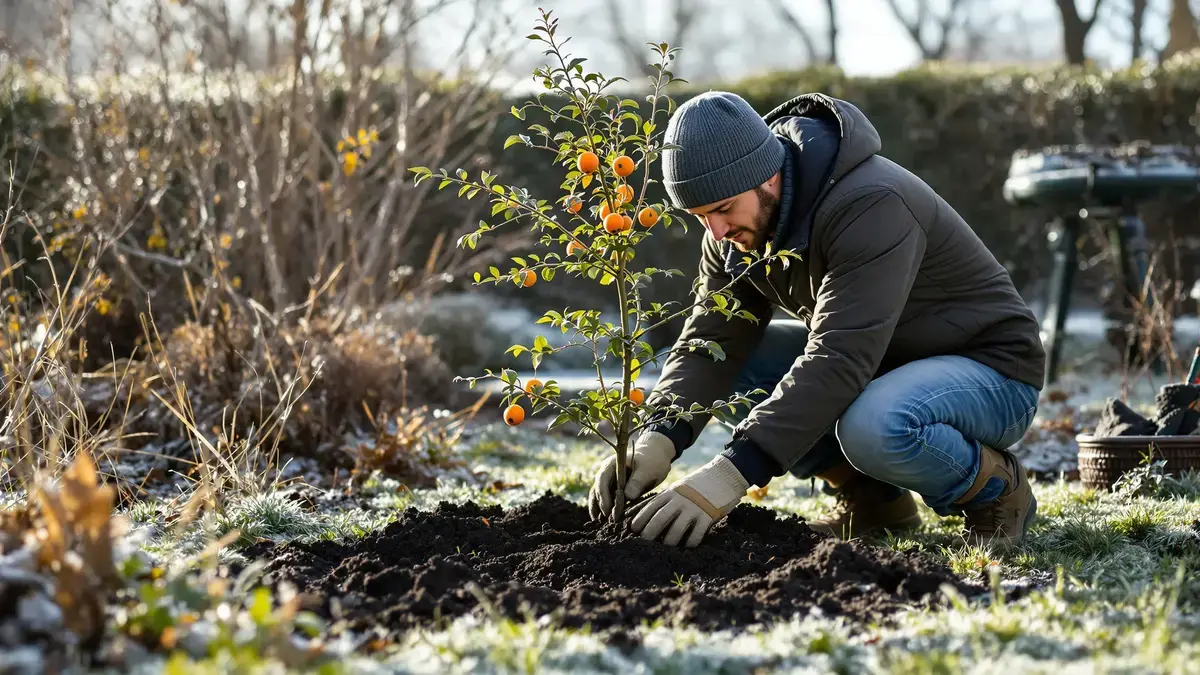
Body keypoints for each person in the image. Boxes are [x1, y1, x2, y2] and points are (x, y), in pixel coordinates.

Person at [586, 91, 1046, 549]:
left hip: (990, 374)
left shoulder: (870, 203)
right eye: (701, 217)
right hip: (881, 367)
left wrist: (729, 475)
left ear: (766, 176)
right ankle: (874, 501)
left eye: (723, 209)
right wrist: (658, 434)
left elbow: (840, 356)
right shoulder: (734, 233)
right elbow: (709, 339)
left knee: (875, 424)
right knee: (736, 359)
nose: (717, 232)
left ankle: (994, 489)